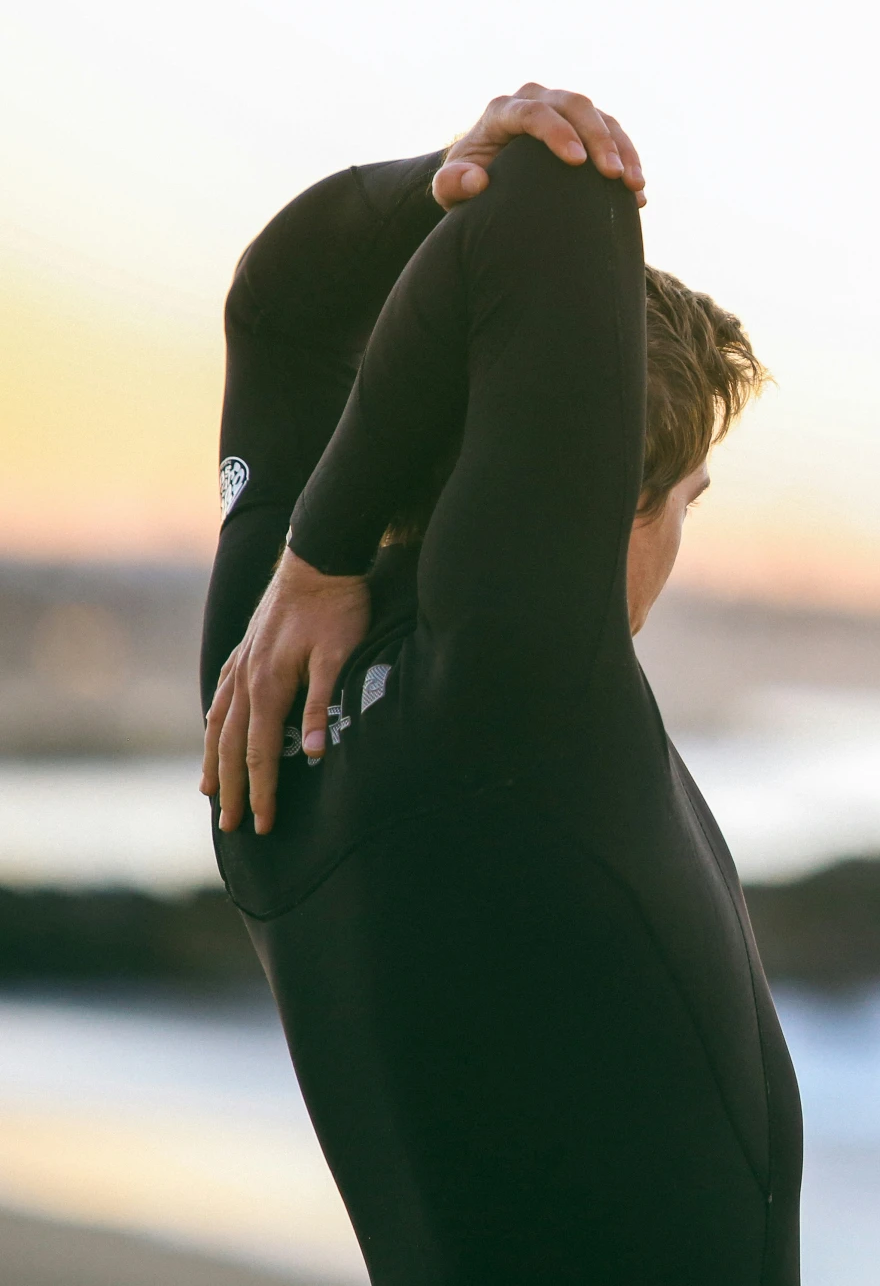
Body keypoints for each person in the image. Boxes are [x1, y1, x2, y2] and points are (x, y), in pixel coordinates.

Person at [198, 87, 802, 1284]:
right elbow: (559, 193)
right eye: (684, 504)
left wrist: (315, 560)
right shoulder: (516, 693)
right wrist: (316, 555)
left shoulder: (259, 709)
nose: (678, 545)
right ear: (589, 497)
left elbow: (278, 302)